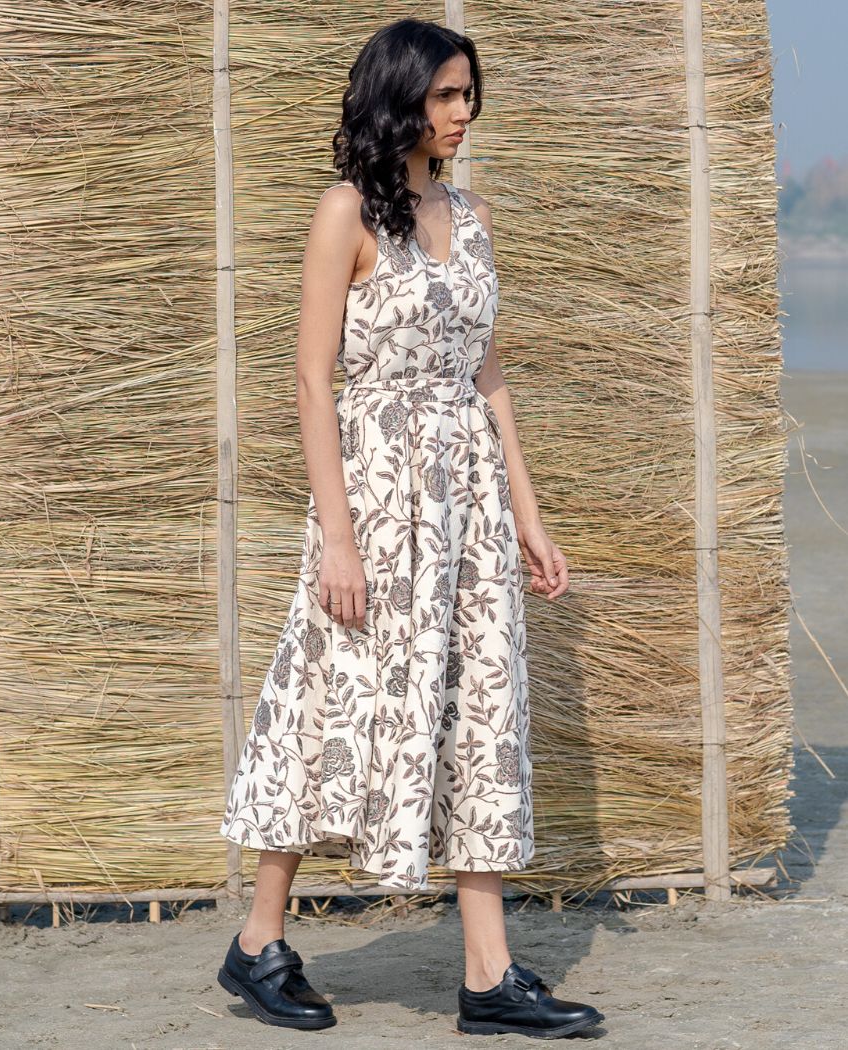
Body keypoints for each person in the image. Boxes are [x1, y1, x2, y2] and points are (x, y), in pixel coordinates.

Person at [216, 17, 605, 1040]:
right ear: (400, 98)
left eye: (469, 94)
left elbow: (488, 371)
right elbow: (312, 379)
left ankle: (489, 975)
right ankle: (259, 941)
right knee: (334, 701)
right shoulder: (345, 211)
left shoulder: (470, 214)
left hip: (469, 500)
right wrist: (338, 538)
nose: (463, 112)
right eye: (445, 95)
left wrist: (528, 513)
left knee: (480, 711)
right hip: (379, 497)